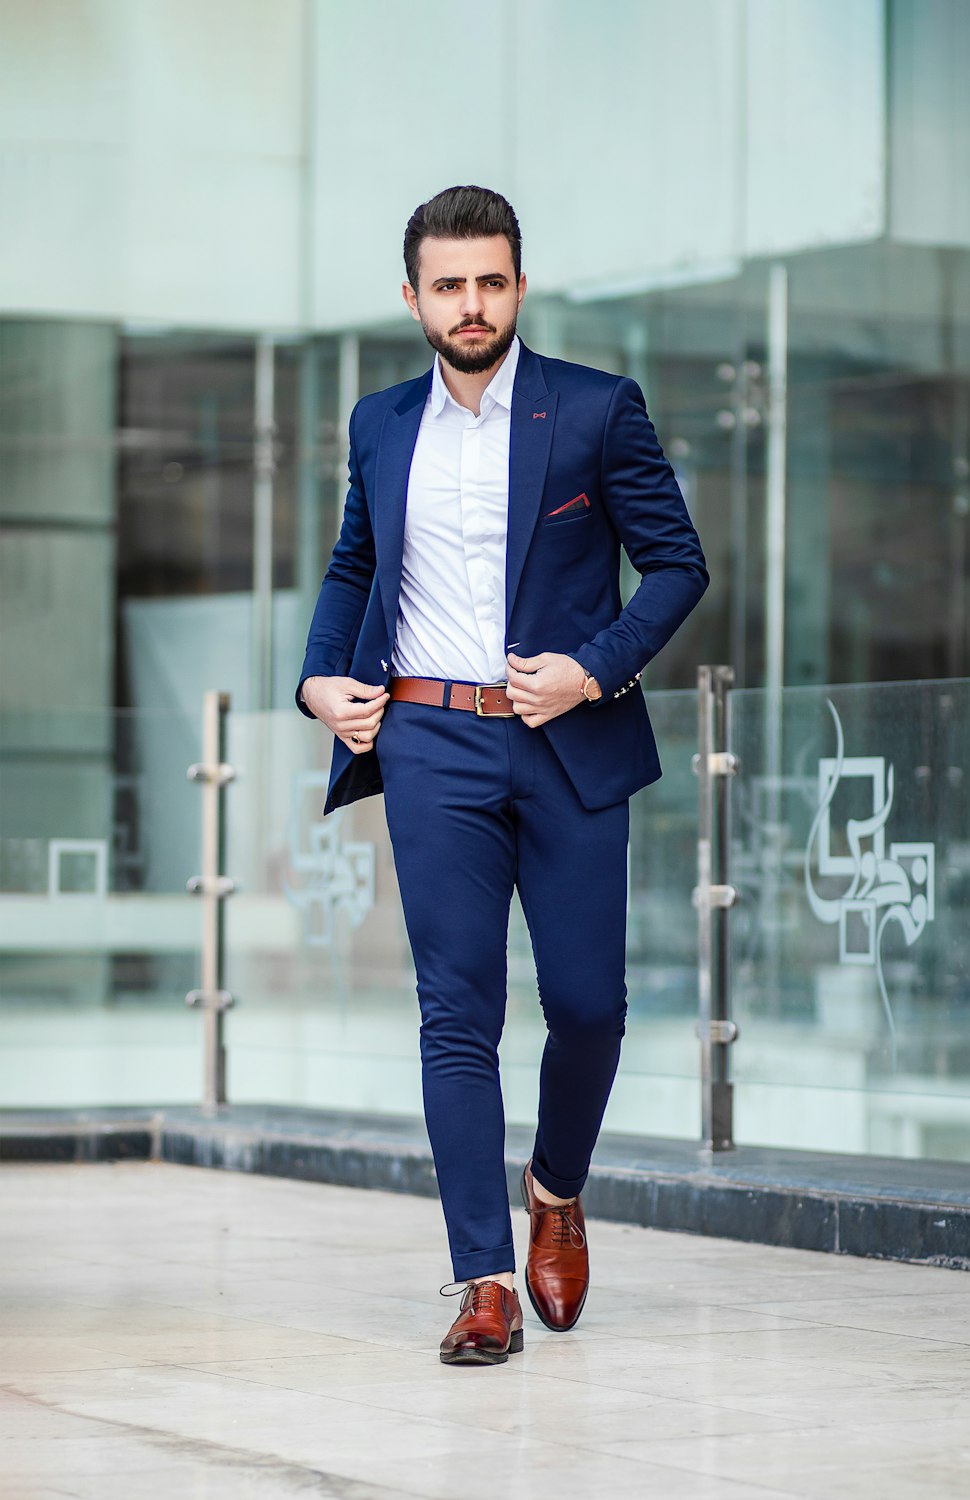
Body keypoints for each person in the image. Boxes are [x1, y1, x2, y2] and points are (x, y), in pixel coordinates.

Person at [297, 185, 708, 1366]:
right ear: (414, 297)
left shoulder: (592, 409)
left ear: (518, 286)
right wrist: (321, 680)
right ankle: (481, 1279)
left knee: (588, 1006)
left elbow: (676, 565)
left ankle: (557, 1190)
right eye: (447, 284)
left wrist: (592, 668)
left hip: (566, 738)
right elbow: (351, 565)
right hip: (429, 740)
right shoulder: (380, 423)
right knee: (455, 1012)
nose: (469, 304)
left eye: (489, 281)